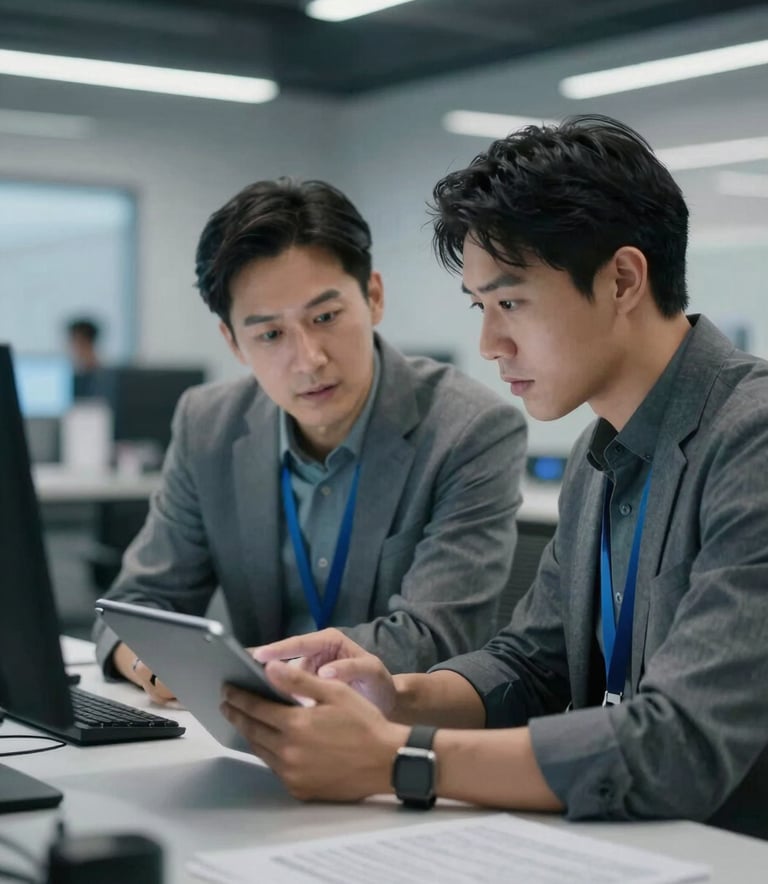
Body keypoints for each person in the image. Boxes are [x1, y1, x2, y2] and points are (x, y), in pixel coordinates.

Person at [219, 117, 768, 838]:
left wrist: (397, 758)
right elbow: (534, 664)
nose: (490, 343)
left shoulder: (750, 439)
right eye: (481, 308)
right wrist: (395, 694)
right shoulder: (600, 453)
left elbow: (679, 745)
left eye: (510, 302)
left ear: (624, 280)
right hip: (631, 841)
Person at [93, 178, 527, 699]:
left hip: (399, 746)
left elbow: (435, 637)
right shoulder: (208, 424)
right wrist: (153, 662)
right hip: (249, 737)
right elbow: (135, 605)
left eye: (325, 317)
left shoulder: (469, 430)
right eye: (270, 335)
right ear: (233, 342)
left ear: (374, 297)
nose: (308, 359)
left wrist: (244, 670)